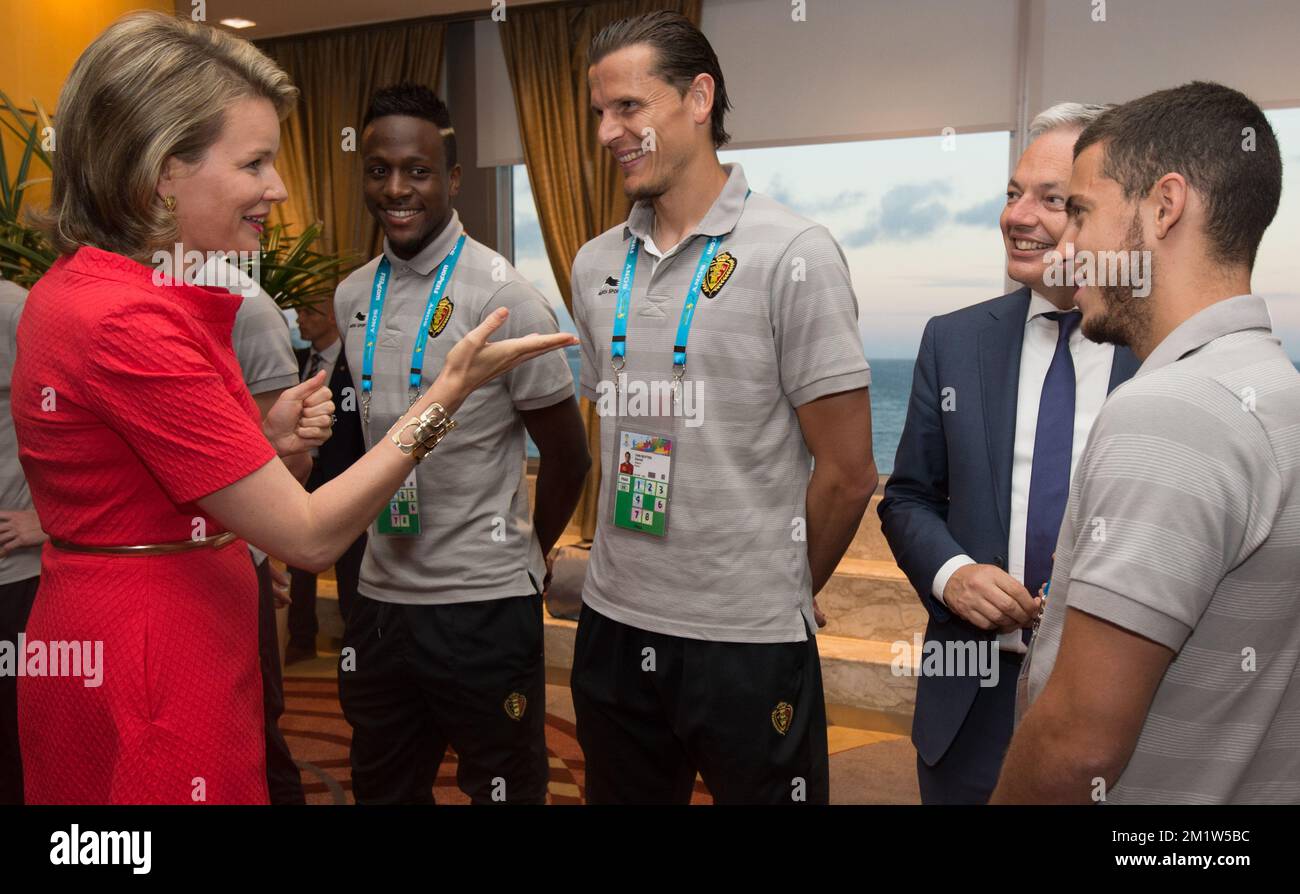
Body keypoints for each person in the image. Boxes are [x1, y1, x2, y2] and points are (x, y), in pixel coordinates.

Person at [10, 11, 575, 805]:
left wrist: (257, 441)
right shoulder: (124, 317)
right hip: (150, 660)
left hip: (153, 633)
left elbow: (145, 475)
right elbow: (308, 536)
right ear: (162, 172)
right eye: (254, 163)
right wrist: (447, 393)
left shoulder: (99, 289)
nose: (278, 187)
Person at [569, 12, 876, 805]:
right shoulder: (594, 264)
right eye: (599, 112)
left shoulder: (794, 254)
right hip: (613, 623)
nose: (608, 131)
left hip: (748, 645)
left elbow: (846, 474)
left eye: (629, 107)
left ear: (699, 98)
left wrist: (772, 590)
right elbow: (622, 425)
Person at [992, 81, 1300, 804]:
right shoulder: (1277, 387)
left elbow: (1079, 742)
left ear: (1164, 207)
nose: (1067, 245)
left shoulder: (1168, 415)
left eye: (1083, 212)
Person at [333, 83, 590, 805]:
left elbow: (569, 455)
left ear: (449, 179)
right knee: (381, 787)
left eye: (416, 171)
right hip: (380, 600)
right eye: (379, 169)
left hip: (482, 606)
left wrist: (526, 553)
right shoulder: (352, 295)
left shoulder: (505, 296)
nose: (396, 188)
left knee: (503, 788)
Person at [877, 103, 1140, 804]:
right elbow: (907, 499)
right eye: (1012, 193)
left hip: (1123, 714)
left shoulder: (1163, 356)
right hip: (971, 704)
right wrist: (954, 574)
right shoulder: (953, 342)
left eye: (1051, 199)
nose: (1017, 217)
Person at [285, 296, 367, 666]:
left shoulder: (356, 364)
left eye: (306, 310)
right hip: (302, 475)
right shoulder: (296, 362)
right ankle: (301, 640)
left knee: (350, 563)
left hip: (344, 478)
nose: (299, 318)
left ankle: (357, 650)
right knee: (297, 559)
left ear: (333, 315)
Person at [0, 279, 46, 805]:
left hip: (21, 577)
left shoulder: (17, 311)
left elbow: (88, 416)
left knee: (22, 743)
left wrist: (50, 520)